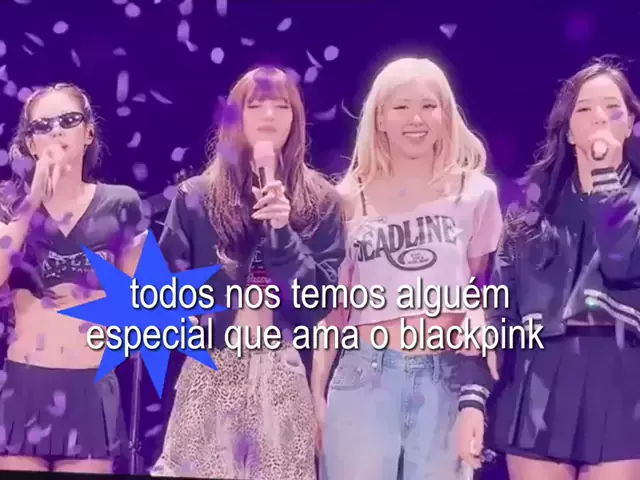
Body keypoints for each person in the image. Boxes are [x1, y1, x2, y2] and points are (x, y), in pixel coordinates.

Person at [151, 66, 346, 479]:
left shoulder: (323, 201)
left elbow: (316, 304)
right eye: (256, 106)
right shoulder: (196, 197)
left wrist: (282, 231)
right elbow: (162, 294)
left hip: (283, 371)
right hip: (211, 366)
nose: (269, 115)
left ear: (297, 119)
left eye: (281, 106)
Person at [313, 57, 502, 480]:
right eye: (401, 107)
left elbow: (480, 286)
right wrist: (317, 395)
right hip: (364, 375)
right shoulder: (347, 199)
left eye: (428, 106)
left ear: (445, 114)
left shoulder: (477, 193)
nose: (416, 119)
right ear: (379, 119)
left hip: (445, 376)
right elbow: (334, 311)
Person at [488, 58, 640, 480]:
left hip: (622, 385)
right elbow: (499, 310)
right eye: (585, 109)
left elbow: (621, 258)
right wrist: (473, 396)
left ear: (631, 123)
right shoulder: (529, 216)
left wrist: (606, 176)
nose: (599, 119)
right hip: (539, 385)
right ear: (569, 131)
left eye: (613, 109)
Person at [0, 83, 146, 474]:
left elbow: (139, 304)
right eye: (42, 126)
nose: (56, 131)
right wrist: (32, 201)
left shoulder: (121, 203)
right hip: (23, 387)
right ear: (30, 144)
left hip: (89, 387)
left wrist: (93, 300)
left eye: (68, 120)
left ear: (89, 133)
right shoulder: (7, 204)